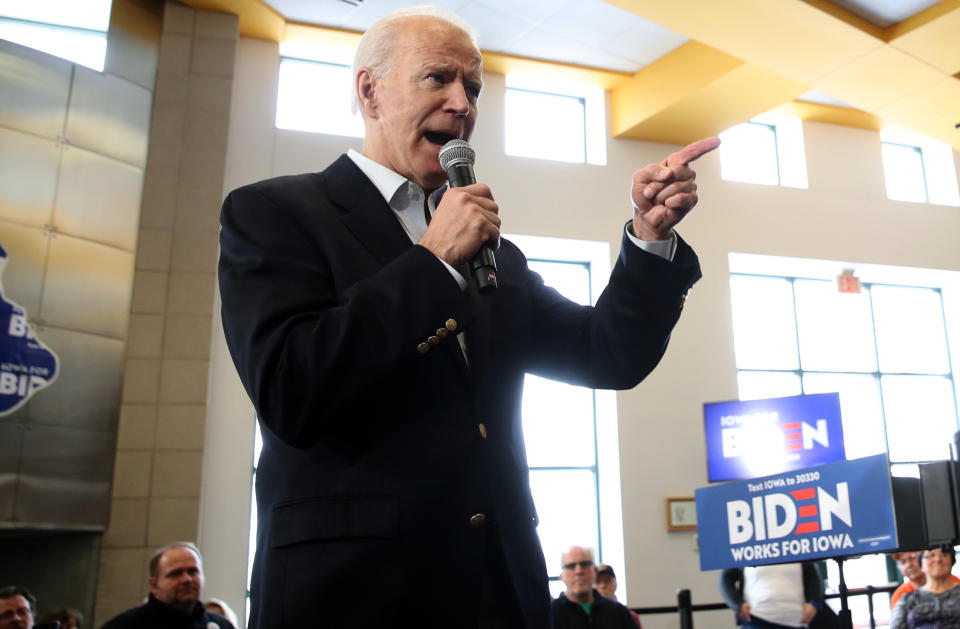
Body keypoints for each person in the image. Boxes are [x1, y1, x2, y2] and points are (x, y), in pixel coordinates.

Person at [218, 5, 716, 627]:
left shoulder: (494, 253)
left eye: (473, 87)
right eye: (437, 79)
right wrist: (430, 264)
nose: (463, 104)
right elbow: (290, 387)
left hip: (498, 593)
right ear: (369, 91)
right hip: (354, 595)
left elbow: (606, 353)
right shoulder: (276, 214)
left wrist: (648, 238)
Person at [100, 542, 234, 629]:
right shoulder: (125, 625)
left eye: (193, 571)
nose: (187, 579)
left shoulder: (220, 625)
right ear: (154, 585)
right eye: (175, 574)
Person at [552, 547, 637, 629]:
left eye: (584, 564)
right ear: (562, 576)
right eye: (571, 566)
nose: (578, 571)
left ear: (595, 571)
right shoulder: (550, 614)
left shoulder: (619, 613)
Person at [719, 563, 824, 629]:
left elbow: (813, 577)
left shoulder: (795, 544)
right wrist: (738, 605)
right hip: (757, 619)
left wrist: (814, 604)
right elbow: (725, 579)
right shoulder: (746, 548)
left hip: (796, 619)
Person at [890, 546, 960, 629]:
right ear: (921, 564)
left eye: (944, 555)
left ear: (952, 561)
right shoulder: (906, 598)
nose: (937, 559)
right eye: (930, 555)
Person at [890, 550, 960, 609]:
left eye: (912, 558)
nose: (909, 565)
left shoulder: (954, 583)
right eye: (903, 562)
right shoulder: (900, 595)